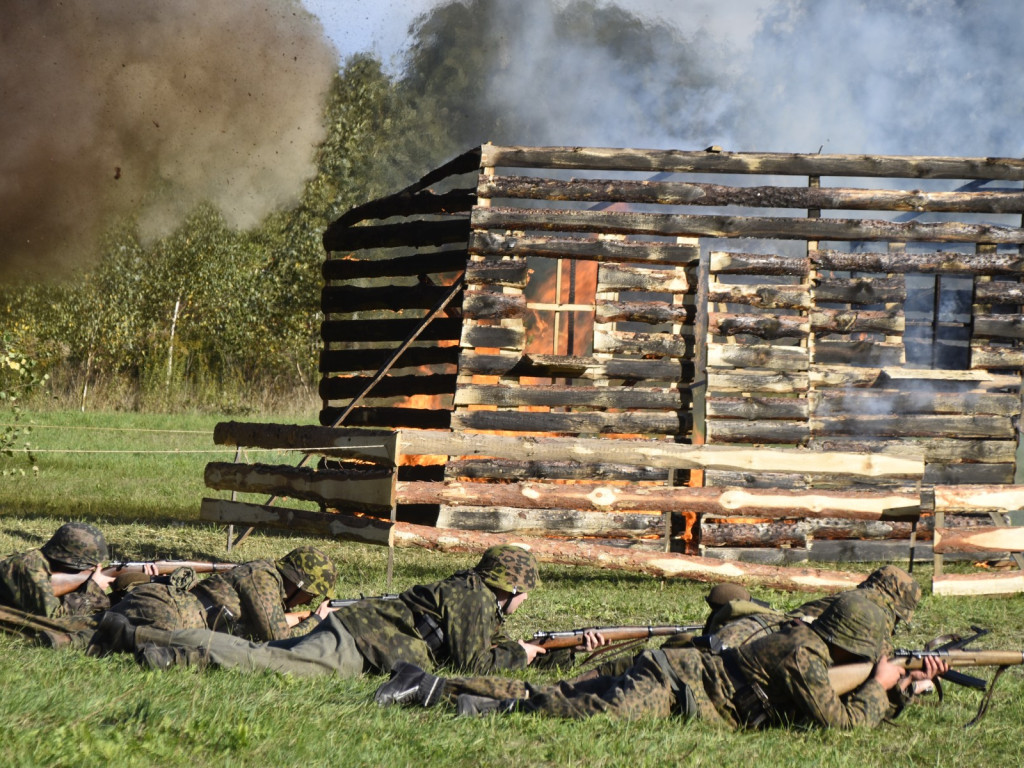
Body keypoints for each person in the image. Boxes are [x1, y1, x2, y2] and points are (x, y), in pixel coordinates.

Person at [381, 591, 948, 730]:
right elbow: (839, 726)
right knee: (581, 710)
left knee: (568, 701)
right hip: (677, 683)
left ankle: (437, 691)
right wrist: (882, 684)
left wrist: (899, 689)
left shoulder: (810, 646)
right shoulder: (801, 655)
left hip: (684, 685)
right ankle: (434, 692)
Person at [90, 544, 548, 680]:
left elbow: (467, 649)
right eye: (526, 590)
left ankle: (160, 647)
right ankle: (140, 638)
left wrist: (550, 650)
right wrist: (522, 654)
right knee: (264, 662)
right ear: (511, 585)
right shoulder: (475, 598)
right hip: (359, 645)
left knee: (256, 652)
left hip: (358, 634)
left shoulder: (471, 594)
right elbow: (473, 664)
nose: (526, 599)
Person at [96, 545, 336, 642]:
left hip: (171, 614)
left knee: (105, 635)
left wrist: (306, 618)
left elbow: (271, 626)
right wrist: (317, 620)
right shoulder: (263, 577)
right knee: (96, 634)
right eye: (312, 594)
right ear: (299, 583)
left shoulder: (269, 583)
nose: (311, 599)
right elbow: (280, 641)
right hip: (165, 609)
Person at [0, 522, 114, 619]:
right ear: (68, 561)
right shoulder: (30, 569)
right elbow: (53, 618)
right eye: (89, 566)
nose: (94, 568)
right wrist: (93, 591)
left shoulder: (41, 564)